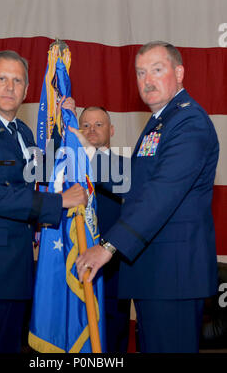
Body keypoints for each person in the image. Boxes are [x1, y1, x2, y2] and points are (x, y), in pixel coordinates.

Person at [74, 41, 220, 353]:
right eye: (141, 73)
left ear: (179, 73)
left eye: (157, 70)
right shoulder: (161, 121)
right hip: (156, 274)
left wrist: (108, 245)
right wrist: (85, 156)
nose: (148, 80)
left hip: (173, 276)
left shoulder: (189, 121)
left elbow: (161, 193)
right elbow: (138, 178)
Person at [0, 50, 87, 353]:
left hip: (16, 272)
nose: (10, 87)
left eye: (17, 81)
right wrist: (59, 201)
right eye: (2, 79)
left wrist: (65, 129)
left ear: (25, 90)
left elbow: (44, 172)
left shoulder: (21, 131)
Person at [78, 106, 130, 352]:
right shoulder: (68, 167)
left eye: (99, 124)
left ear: (111, 130)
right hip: (73, 262)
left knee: (113, 332)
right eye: (85, 125)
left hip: (114, 265)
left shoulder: (126, 167)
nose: (92, 130)